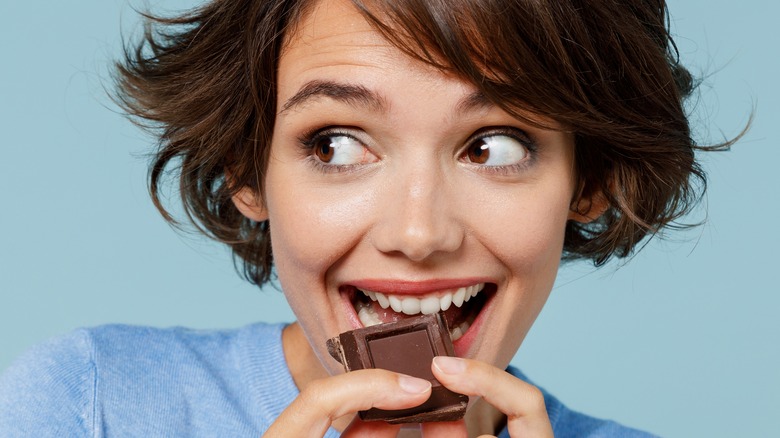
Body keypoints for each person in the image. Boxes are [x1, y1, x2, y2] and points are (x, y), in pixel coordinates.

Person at [0, 0, 735, 436]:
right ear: (244, 169)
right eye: (336, 144)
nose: (417, 235)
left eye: (494, 146)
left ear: (590, 179)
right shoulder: (88, 406)